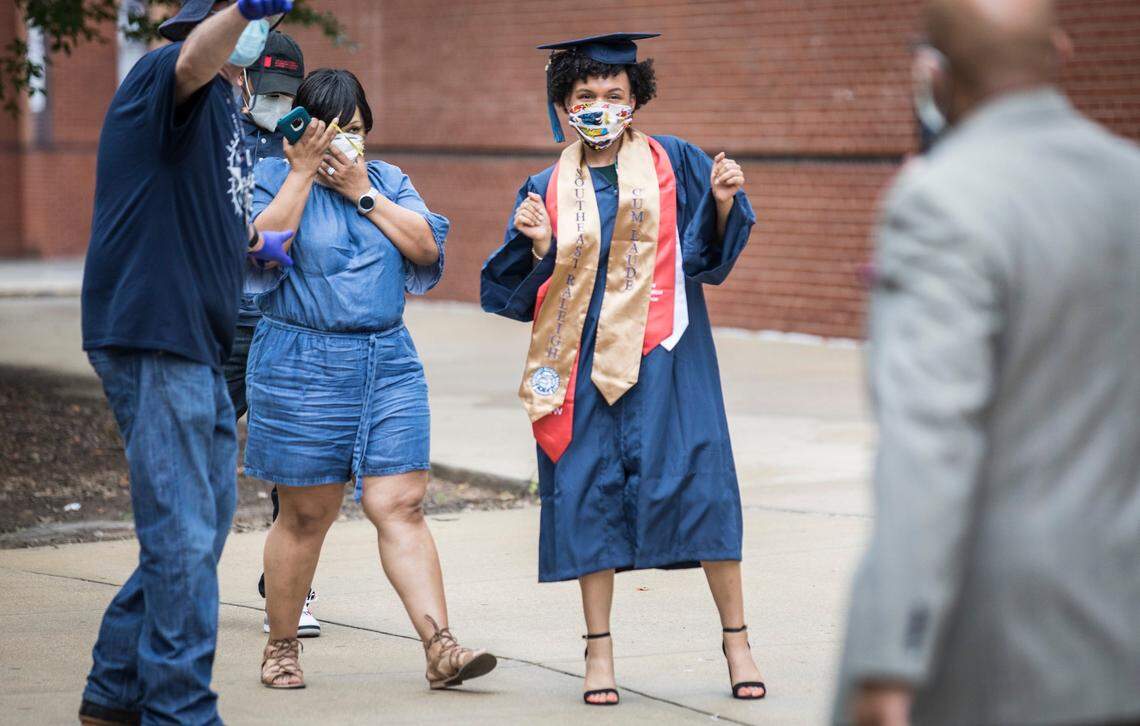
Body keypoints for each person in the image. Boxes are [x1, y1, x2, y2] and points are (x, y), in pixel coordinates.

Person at [834, 1, 1140, 725]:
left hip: (1001, 647)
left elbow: (930, 441)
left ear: (932, 74)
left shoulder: (939, 202)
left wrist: (888, 658)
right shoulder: (1130, 183)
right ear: (1061, 51)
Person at [481, 33, 765, 706]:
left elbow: (710, 256)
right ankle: (598, 652)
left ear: (636, 102)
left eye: (615, 95)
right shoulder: (546, 185)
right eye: (586, 97)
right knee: (589, 493)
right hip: (582, 369)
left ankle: (738, 640)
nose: (601, 107)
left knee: (704, 485)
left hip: (670, 358)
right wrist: (540, 246)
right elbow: (518, 290)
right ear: (563, 106)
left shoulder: (679, 164)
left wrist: (723, 200)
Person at [245, 68, 498, 691]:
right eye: (329, 131)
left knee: (402, 504)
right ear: (296, 128)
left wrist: (362, 190)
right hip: (302, 361)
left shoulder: (388, 181)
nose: (342, 143)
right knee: (307, 515)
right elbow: (262, 252)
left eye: (354, 130)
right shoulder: (270, 178)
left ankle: (442, 648)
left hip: (388, 361)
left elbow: (426, 248)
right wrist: (303, 173)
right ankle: (281, 647)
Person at [78, 0, 294, 724]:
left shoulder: (227, 115)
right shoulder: (165, 78)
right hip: (151, 332)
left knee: (199, 529)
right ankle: (180, 710)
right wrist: (241, 10)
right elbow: (194, 59)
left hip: (194, 341)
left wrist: (255, 246)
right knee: (179, 531)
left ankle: (114, 688)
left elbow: (211, 224)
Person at [220, 27, 324, 639]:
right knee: (204, 437)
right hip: (230, 318)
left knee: (296, 461)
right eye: (269, 87)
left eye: (291, 91)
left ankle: (292, 592)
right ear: (245, 80)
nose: (278, 102)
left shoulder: (311, 140)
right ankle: (177, 577)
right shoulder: (222, 136)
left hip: (288, 319)